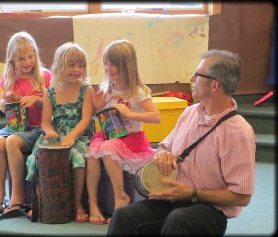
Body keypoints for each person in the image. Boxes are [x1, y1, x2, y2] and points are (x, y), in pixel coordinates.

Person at [107, 49, 256, 236]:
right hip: (173, 201)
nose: (192, 78)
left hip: (209, 211)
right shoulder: (190, 113)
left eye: (198, 74)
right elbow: (164, 146)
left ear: (215, 85)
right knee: (124, 215)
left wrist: (192, 193)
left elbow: (242, 196)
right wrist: (162, 154)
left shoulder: (238, 132)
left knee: (178, 219)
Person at [85, 39, 161, 224]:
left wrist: (130, 113)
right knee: (93, 154)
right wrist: (96, 100)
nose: (107, 67)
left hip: (131, 138)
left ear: (126, 65)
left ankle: (121, 197)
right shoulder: (108, 89)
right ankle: (93, 203)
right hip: (108, 135)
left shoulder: (137, 91)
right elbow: (95, 113)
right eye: (106, 63)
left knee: (108, 148)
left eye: (112, 64)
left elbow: (156, 116)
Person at [25, 42, 95, 223]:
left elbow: (86, 119)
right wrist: (49, 133)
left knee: (78, 159)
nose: (77, 69)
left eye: (81, 66)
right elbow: (46, 122)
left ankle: (76, 203)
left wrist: (71, 136)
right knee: (38, 157)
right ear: (60, 66)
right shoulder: (50, 92)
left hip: (79, 134)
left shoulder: (86, 90)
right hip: (56, 133)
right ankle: (42, 202)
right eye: (72, 65)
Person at [0, 31, 51, 214]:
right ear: (12, 61)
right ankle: (0, 193)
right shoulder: (9, 77)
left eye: (30, 56)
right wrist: (6, 100)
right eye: (21, 58)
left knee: (11, 141)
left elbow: (54, 106)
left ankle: (17, 194)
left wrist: (37, 100)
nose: (27, 62)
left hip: (36, 128)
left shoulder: (45, 76)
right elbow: (2, 106)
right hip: (14, 126)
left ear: (35, 55)